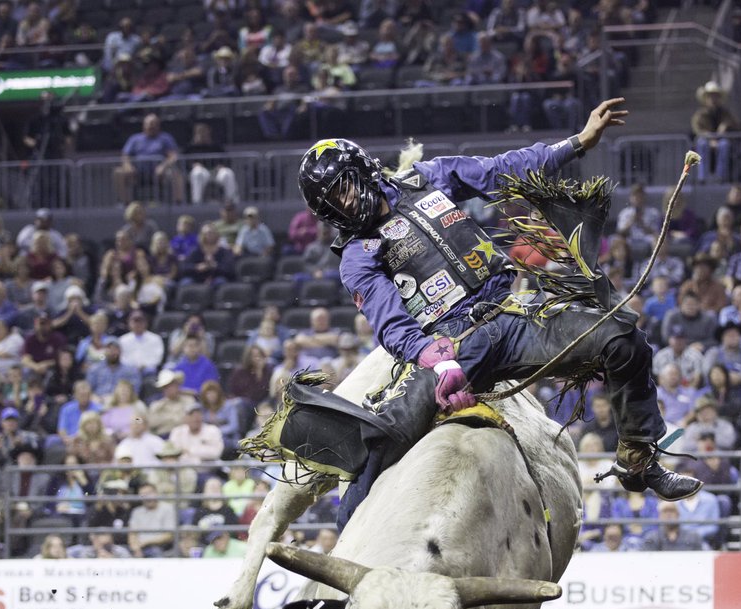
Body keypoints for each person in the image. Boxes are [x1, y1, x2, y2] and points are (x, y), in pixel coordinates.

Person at [259, 101, 702, 523]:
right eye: (332, 202)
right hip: (450, 347)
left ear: (363, 170)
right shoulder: (356, 255)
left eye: (344, 187)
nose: (345, 204)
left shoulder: (426, 178)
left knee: (624, 340)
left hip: (511, 315)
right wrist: (434, 358)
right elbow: (390, 323)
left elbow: (501, 168)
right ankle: (348, 549)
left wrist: (577, 143)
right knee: (377, 445)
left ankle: (637, 459)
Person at [113, 114, 186, 204]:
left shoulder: (165, 138)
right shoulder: (135, 139)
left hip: (159, 173)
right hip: (137, 173)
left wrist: (163, 166)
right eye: (148, 124)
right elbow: (125, 155)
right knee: (118, 172)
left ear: (158, 125)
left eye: (153, 124)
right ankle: (125, 203)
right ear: (144, 125)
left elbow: (173, 156)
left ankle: (178, 203)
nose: (151, 126)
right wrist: (128, 166)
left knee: (175, 174)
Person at [691, 80, 738, 183]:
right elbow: (697, 129)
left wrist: (725, 125)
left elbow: (735, 124)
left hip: (721, 141)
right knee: (702, 143)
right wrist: (710, 139)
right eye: (711, 96)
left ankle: (721, 177)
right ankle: (702, 178)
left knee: (724, 144)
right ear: (706, 98)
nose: (713, 99)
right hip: (706, 140)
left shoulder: (725, 112)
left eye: (716, 96)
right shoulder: (700, 114)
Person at [640, 500, 705, 551]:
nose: (669, 514)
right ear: (660, 516)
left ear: (678, 514)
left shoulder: (693, 537)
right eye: (665, 511)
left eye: (672, 510)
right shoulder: (652, 538)